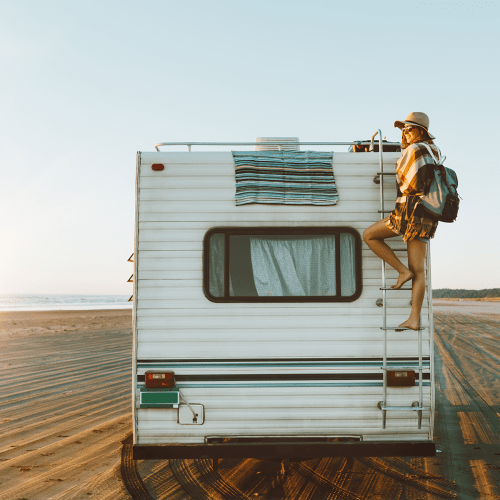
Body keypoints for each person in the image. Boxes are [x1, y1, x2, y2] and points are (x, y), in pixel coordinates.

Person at [363, 112, 440, 331]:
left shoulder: (414, 150)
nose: (405, 133)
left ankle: (401, 271)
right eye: (403, 129)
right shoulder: (434, 151)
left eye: (410, 129)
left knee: (368, 235)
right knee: (420, 270)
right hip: (428, 215)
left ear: (421, 132)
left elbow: (408, 182)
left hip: (410, 212)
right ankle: (414, 319)